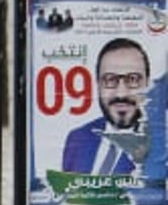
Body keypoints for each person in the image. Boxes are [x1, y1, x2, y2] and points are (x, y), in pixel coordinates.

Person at [61, 38, 149, 175]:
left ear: (148, 84)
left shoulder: (161, 145)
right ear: (97, 84)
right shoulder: (77, 138)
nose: (121, 93)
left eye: (133, 79)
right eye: (110, 79)